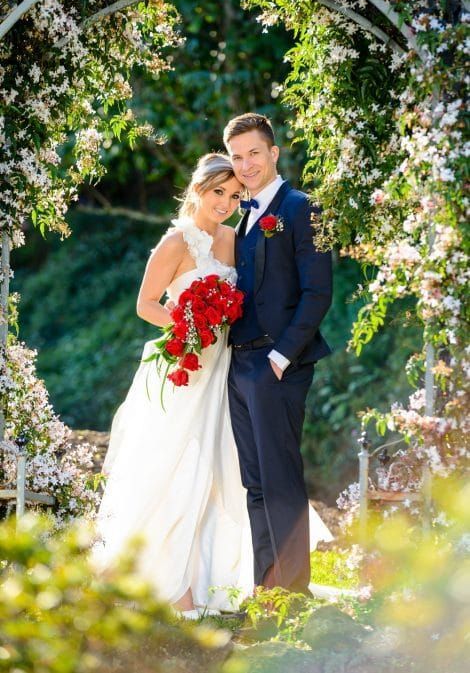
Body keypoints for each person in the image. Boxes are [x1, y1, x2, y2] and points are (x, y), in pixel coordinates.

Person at [92, 151, 333, 619]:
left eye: (234, 194)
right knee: (176, 464)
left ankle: (213, 577)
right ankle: (169, 584)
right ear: (198, 190)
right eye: (217, 192)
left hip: (223, 368)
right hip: (184, 366)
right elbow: (146, 304)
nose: (225, 202)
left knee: (219, 471)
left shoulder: (235, 238)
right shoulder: (175, 242)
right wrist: (185, 328)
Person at [224, 113, 333, 596]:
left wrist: (282, 356)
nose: (245, 165)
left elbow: (317, 292)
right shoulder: (244, 214)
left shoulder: (301, 207)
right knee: (256, 485)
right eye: (237, 156)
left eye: (253, 153)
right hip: (239, 364)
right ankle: (267, 590)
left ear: (273, 153)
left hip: (277, 366)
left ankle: (295, 594)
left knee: (281, 481)